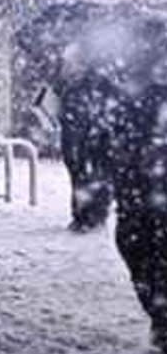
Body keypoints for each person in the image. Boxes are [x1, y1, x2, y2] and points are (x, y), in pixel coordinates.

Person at [107, 17, 167, 354]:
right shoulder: (130, 84)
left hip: (148, 187)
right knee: (138, 247)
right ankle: (161, 320)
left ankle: (162, 320)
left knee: (144, 249)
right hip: (137, 187)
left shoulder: (141, 85)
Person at [57, 52, 119, 232]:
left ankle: (86, 218)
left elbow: (72, 120)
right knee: (94, 177)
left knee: (84, 177)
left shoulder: (79, 87)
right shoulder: (106, 84)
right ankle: (93, 216)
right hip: (96, 142)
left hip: (85, 142)